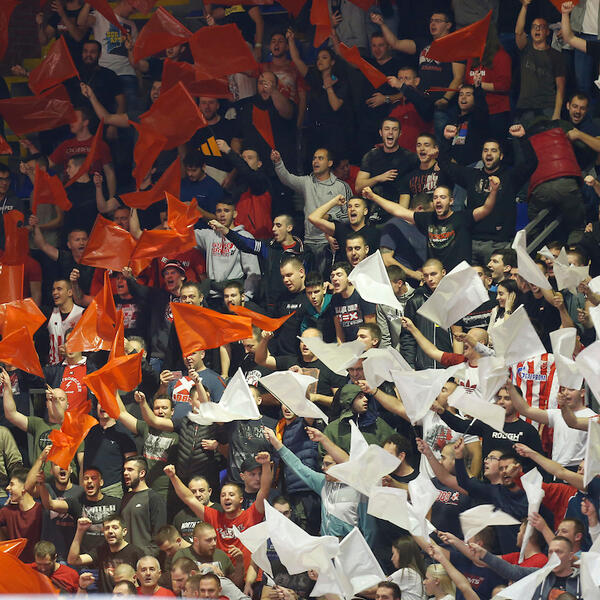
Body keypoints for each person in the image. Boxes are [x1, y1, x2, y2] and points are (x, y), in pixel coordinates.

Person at [437, 123, 538, 265]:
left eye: (493, 150)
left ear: (501, 156)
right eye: (485, 150)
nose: (489, 154)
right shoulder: (471, 175)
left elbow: (531, 163)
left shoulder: (510, 176)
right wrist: (447, 140)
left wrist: (522, 138)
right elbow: (444, 163)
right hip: (471, 242)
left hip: (499, 244)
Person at [164, 451, 273, 581]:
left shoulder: (252, 514)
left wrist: (266, 464)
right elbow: (189, 498)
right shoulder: (214, 516)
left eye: (231, 495)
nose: (227, 497)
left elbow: (265, 489)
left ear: (240, 499)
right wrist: (173, 477)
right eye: (223, 495)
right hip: (222, 579)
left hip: (249, 578)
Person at [363, 179, 500, 271]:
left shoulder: (462, 217)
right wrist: (373, 197)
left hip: (459, 277)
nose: (438, 200)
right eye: (435, 198)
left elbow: (486, 209)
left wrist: (493, 191)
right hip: (436, 277)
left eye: (443, 197)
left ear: (451, 201)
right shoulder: (428, 218)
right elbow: (398, 211)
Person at [271, 147, 351, 273]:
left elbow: (349, 216)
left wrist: (330, 218)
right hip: (309, 242)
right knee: (309, 279)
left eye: (320, 158)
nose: (315, 161)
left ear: (330, 163)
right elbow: (287, 178)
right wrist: (278, 162)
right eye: (314, 158)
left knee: (327, 279)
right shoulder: (307, 182)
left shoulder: (341, 186)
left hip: (330, 242)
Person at [355, 117, 419, 225]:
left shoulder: (410, 157)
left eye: (394, 129)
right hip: (373, 213)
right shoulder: (371, 156)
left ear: (400, 133)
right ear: (381, 133)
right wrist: (378, 178)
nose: (390, 132)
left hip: (399, 213)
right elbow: (358, 187)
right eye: (387, 129)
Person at [197, 198, 261, 302]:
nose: (222, 214)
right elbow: (181, 235)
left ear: (234, 214)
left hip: (234, 296)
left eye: (226, 211)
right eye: (219, 211)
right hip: (212, 297)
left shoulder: (244, 237)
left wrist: (246, 296)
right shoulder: (208, 235)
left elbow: (253, 272)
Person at [515, 2, 565, 124]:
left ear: (547, 32)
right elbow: (518, 32)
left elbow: (560, 88)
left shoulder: (556, 56)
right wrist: (524, 6)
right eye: (534, 27)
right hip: (526, 108)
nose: (537, 29)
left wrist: (557, 112)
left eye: (541, 27)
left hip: (547, 107)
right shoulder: (526, 49)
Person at [67, 514, 145, 594]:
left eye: (115, 528)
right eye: (107, 528)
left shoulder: (136, 553)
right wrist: (80, 531)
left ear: (124, 531)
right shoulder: (101, 550)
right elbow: (73, 560)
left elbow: (144, 583)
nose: (110, 531)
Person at [398, 259, 452, 369]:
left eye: (433, 274)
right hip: (425, 365)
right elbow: (407, 336)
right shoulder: (415, 301)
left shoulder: (455, 298)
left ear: (443, 273)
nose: (430, 279)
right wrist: (410, 365)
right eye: (426, 276)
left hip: (451, 364)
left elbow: (460, 333)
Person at [120, 456, 167, 557]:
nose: (125, 473)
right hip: (125, 558)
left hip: (145, 559)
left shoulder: (154, 498)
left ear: (142, 473)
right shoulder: (125, 498)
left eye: (130, 470)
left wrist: (149, 557)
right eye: (124, 470)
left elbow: (159, 534)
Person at [0, 467, 43, 562]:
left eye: (12, 484)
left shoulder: (40, 511)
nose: (7, 488)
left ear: (24, 487)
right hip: (15, 565)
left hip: (38, 565)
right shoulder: (7, 511)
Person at [330, 262, 376, 343]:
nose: (334, 279)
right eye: (332, 276)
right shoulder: (335, 299)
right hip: (348, 347)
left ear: (349, 278)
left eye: (339, 275)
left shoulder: (362, 295)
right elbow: (339, 333)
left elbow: (372, 330)